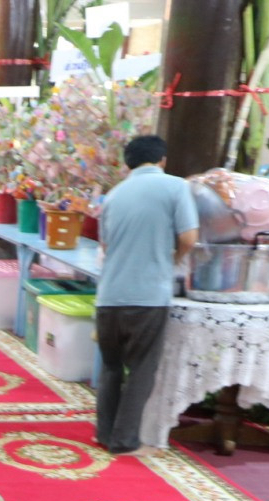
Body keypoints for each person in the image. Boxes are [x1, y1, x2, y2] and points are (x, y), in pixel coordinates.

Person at [94, 134, 198, 456]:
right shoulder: (175, 187)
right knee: (141, 368)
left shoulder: (113, 195)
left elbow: (106, 247)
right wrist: (173, 259)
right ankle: (124, 440)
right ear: (163, 160)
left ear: (128, 163)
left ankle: (104, 433)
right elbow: (190, 237)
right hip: (148, 296)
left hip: (109, 295)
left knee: (111, 367)